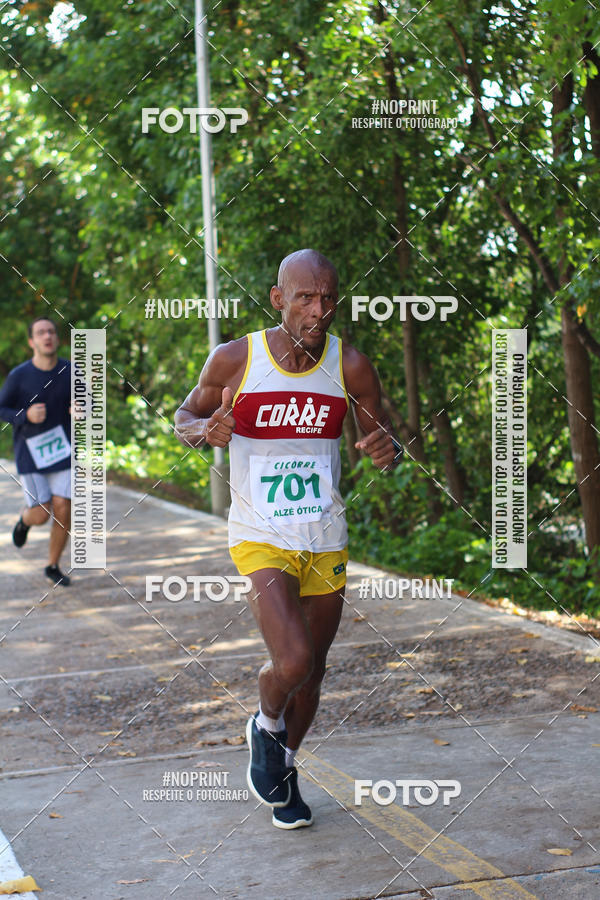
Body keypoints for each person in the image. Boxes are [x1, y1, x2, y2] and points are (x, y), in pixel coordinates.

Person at [174, 249, 402, 829]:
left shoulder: (349, 365)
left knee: (316, 669)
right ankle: (265, 724)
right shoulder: (235, 359)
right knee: (293, 659)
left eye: (328, 298)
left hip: (325, 534)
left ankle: (283, 764)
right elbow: (183, 417)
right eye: (305, 296)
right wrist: (205, 429)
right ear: (278, 298)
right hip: (261, 535)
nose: (318, 309)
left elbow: (379, 435)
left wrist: (386, 449)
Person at [0, 317, 72, 586]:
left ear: (57, 338)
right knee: (42, 513)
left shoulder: (70, 371)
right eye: (41, 332)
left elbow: (88, 401)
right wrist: (25, 415)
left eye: (51, 331)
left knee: (63, 507)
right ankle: (24, 520)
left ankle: (52, 565)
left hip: (63, 452)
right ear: (32, 341)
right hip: (31, 454)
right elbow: (2, 409)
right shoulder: (19, 375)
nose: (47, 336)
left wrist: (82, 409)